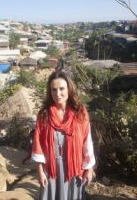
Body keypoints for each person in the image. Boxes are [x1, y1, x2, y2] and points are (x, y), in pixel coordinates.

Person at [31, 70, 96, 200]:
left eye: (62, 89)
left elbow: (87, 142)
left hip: (74, 169)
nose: (58, 94)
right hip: (51, 170)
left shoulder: (80, 113)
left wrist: (89, 169)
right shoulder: (44, 115)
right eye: (54, 90)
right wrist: (40, 172)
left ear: (69, 89)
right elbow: (38, 146)